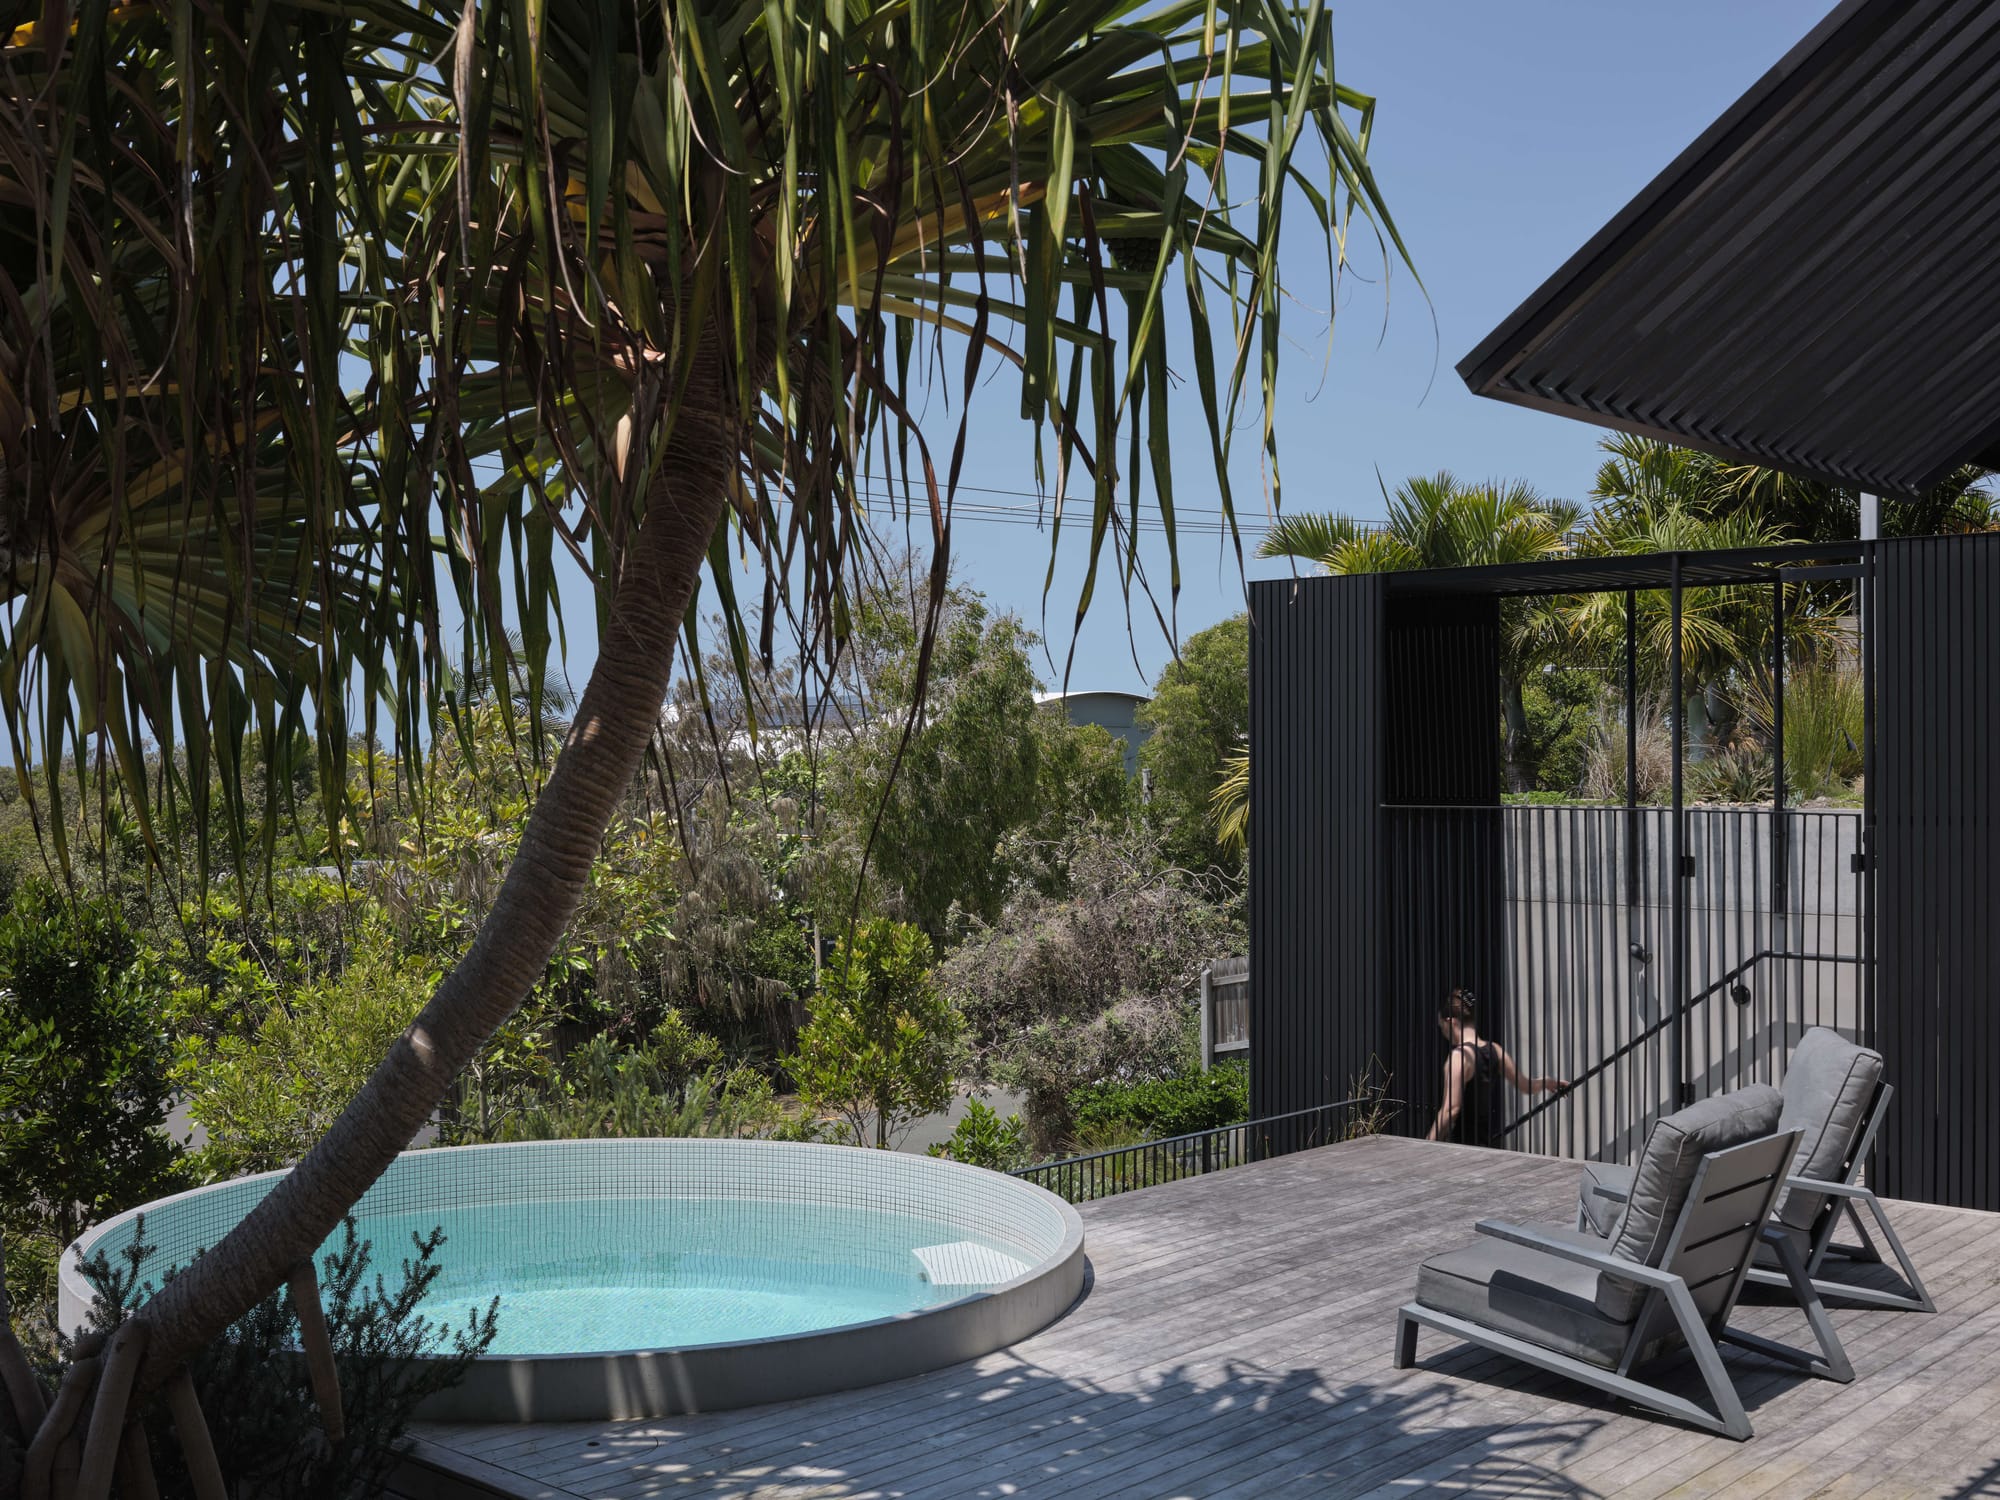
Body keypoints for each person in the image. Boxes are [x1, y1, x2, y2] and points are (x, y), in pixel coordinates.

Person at [1424, 988, 1567, 1147]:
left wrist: (1427, 1143)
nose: (1442, 1031)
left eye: (1441, 1025)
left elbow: (1451, 1108)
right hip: (1484, 1145)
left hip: (1462, 1146)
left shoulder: (1460, 1056)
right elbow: (1527, 1086)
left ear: (1450, 1021)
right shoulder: (1495, 1050)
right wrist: (1548, 1082)